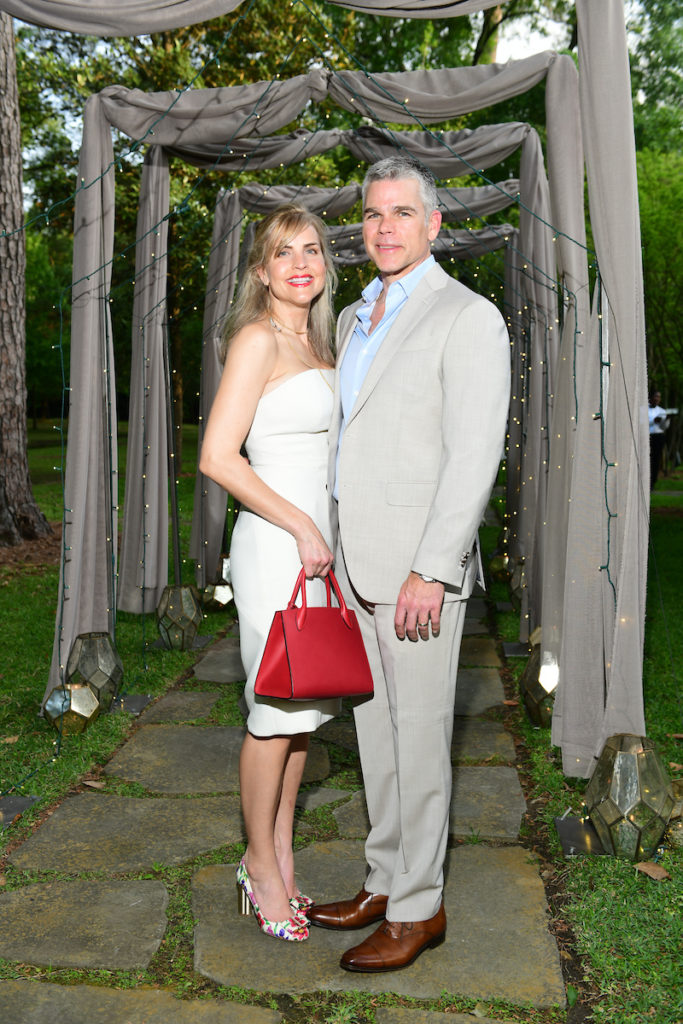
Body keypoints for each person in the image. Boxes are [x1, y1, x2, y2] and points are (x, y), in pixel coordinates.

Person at [307, 157, 511, 972]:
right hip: (355, 560)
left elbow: (473, 454)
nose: (383, 226)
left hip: (416, 571)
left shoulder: (468, 317)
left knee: (421, 740)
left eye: (400, 212)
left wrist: (433, 565)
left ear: (433, 224)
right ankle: (385, 879)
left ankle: (420, 910)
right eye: (370, 214)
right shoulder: (356, 313)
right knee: (377, 739)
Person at [199, 205, 340, 942]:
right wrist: (303, 524)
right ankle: (258, 866)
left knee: (304, 715)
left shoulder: (321, 342)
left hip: (320, 552)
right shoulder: (256, 340)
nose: (299, 263)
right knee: (272, 715)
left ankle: (283, 856)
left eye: (311, 249)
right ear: (261, 271)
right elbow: (219, 458)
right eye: (283, 253)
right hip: (277, 546)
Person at [648, 389, 668, 489]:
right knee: (648, 459)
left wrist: (666, 421)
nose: (657, 399)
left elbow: (664, 428)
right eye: (655, 396)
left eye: (658, 397)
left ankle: (653, 481)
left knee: (656, 460)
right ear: (650, 397)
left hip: (659, 437)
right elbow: (642, 424)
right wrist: (653, 421)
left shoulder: (662, 411)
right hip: (648, 437)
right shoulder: (644, 409)